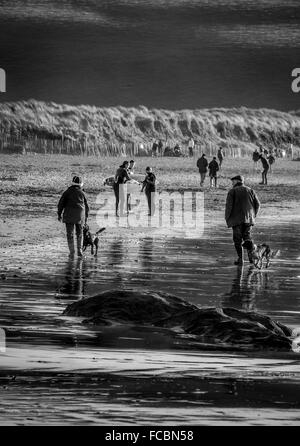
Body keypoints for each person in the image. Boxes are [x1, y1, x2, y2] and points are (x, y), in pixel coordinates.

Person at [225, 175, 260, 266]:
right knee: (247, 238)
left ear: (237, 181)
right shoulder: (251, 190)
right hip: (249, 219)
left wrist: (227, 218)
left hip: (236, 219)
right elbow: (258, 204)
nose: (232, 183)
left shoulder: (232, 191)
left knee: (237, 240)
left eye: (233, 181)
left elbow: (229, 206)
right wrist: (253, 215)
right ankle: (251, 258)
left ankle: (241, 259)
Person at [58, 176, 89, 259]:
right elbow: (87, 207)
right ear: (81, 184)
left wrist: (59, 214)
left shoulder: (67, 192)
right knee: (80, 234)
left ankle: (72, 252)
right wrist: (86, 218)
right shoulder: (83, 193)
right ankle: (80, 251)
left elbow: (61, 204)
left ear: (72, 183)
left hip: (69, 216)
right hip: (80, 216)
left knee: (70, 234)